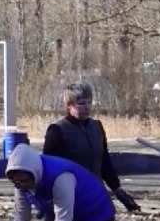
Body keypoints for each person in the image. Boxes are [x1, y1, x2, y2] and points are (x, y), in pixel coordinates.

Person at [43, 82, 139, 213]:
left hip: (95, 192)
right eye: (81, 103)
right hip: (70, 195)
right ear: (68, 106)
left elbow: (104, 162)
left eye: (89, 102)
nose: (87, 107)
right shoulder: (57, 130)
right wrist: (45, 199)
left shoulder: (96, 127)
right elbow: (48, 168)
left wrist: (117, 189)